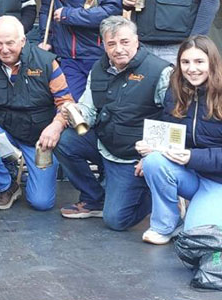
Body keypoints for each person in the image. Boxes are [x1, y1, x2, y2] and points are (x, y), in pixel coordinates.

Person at [52, 16, 172, 231]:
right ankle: (94, 198)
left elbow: (173, 120)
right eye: (111, 44)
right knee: (64, 141)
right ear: (104, 45)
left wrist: (154, 159)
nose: (118, 49)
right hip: (105, 144)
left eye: (124, 42)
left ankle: (151, 191)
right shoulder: (98, 69)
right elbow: (88, 112)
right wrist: (74, 113)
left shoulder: (161, 71)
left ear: (136, 40)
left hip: (135, 157)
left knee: (116, 221)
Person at [138, 35, 222, 245]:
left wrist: (192, 157)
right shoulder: (175, 92)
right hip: (193, 174)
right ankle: (166, 225)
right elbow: (171, 136)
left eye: (199, 62)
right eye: (185, 62)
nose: (192, 69)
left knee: (196, 237)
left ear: (212, 62)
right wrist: (153, 149)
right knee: (153, 162)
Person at [0, 16, 75, 211]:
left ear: (23, 41)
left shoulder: (46, 62)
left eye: (10, 43)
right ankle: (6, 186)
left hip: (39, 138)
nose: (4, 49)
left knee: (41, 203)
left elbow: (66, 102)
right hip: (3, 133)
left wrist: (56, 126)